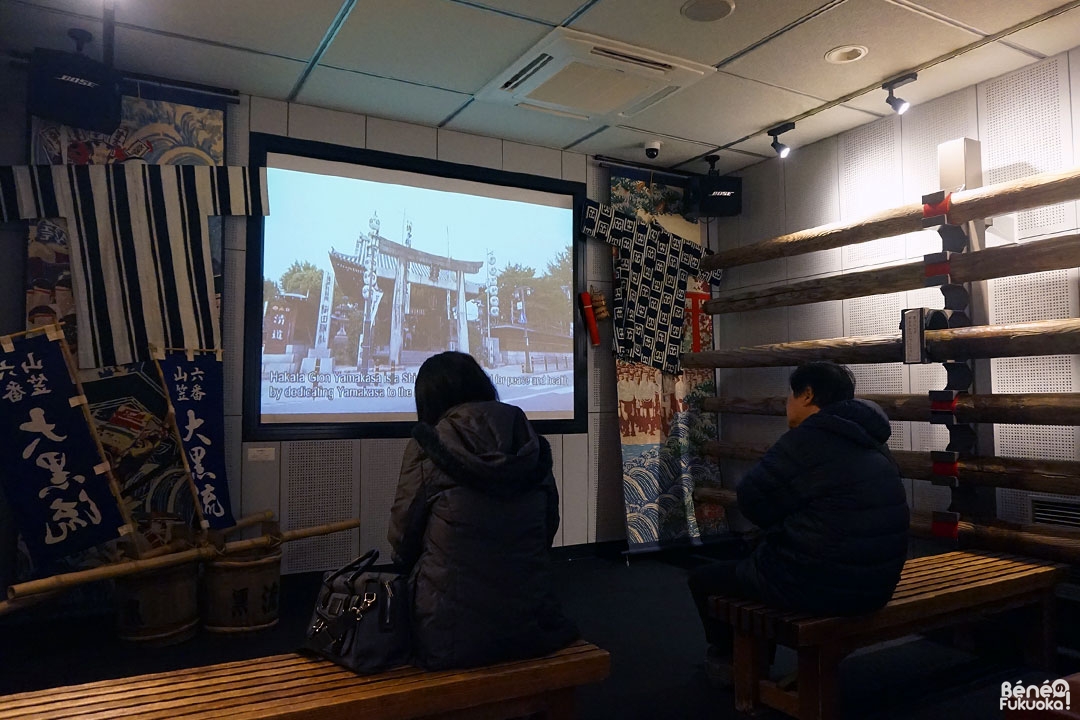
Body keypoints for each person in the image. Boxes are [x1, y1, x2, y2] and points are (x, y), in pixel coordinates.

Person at [688, 361, 909, 674]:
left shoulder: (806, 440)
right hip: (878, 584)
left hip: (821, 585)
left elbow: (752, 502)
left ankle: (734, 665)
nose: (786, 404)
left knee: (704, 580)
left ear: (807, 395)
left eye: (790, 395)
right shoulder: (872, 439)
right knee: (759, 559)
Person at [388, 351, 578, 670]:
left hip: (447, 633)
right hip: (532, 623)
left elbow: (402, 539)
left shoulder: (428, 445)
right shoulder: (529, 441)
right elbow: (549, 526)